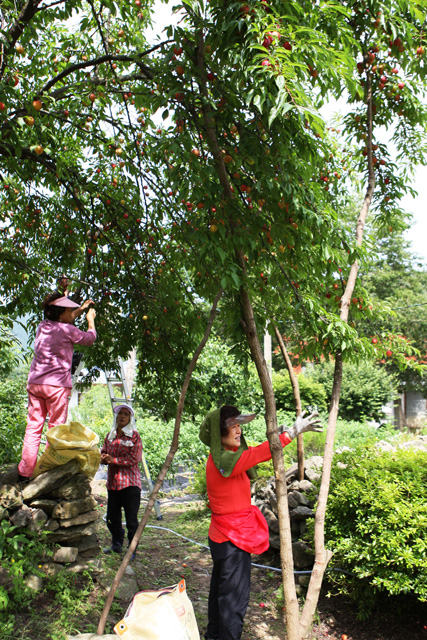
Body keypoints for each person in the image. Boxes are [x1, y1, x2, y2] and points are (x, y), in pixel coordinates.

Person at [199, 405, 322, 640]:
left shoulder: (222, 458)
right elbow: (256, 454)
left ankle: (214, 636)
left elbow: (252, 452)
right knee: (233, 600)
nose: (238, 431)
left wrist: (282, 433)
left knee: (220, 594)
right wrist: (291, 433)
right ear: (218, 434)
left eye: (238, 425)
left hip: (223, 537)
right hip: (231, 538)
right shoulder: (225, 461)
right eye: (232, 426)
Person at [17, 292, 96, 482]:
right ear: (61, 314)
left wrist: (79, 309)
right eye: (69, 310)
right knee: (55, 429)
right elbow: (89, 338)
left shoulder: (42, 327)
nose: (72, 313)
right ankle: (47, 471)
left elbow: (63, 318)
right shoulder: (69, 331)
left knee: (33, 427)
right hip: (56, 387)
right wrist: (90, 320)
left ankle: (25, 473)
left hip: (36, 383)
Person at [101, 404, 143, 555]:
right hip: (113, 484)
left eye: (126, 414)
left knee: (131, 520)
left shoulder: (134, 436)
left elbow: (134, 459)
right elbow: (103, 452)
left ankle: (132, 550)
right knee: (112, 518)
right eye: (120, 413)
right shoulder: (110, 435)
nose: (122, 416)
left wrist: (114, 460)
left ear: (130, 418)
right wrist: (104, 458)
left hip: (130, 484)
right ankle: (116, 544)